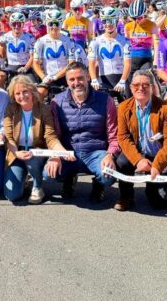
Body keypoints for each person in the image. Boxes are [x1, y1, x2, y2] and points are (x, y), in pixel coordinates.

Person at [50, 63, 119, 203]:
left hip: (95, 152)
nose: (77, 83)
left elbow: (114, 135)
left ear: (88, 76)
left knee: (108, 176)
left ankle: (98, 184)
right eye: (72, 80)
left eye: (80, 78)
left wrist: (110, 155)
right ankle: (69, 178)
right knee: (48, 172)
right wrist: (55, 155)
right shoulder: (57, 102)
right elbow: (54, 135)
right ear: (67, 81)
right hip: (68, 153)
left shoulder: (106, 100)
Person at [110, 70, 167, 210]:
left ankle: (152, 190)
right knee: (122, 162)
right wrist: (138, 160)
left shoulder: (166, 108)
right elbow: (123, 137)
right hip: (137, 151)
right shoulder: (123, 107)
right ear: (131, 88)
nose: (141, 88)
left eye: (146, 85)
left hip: (156, 153)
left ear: (153, 87)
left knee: (157, 202)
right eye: (136, 85)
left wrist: (157, 165)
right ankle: (126, 196)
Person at [2, 75, 66, 204]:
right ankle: (24, 177)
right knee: (12, 195)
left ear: (32, 91)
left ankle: (37, 186)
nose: (22, 96)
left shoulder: (44, 109)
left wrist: (61, 152)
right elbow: (8, 137)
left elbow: (50, 136)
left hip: (36, 151)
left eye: (25, 91)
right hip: (17, 152)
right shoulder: (11, 109)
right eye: (17, 93)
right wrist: (16, 153)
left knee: (32, 158)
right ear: (14, 96)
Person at [32, 9, 77, 100]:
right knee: (39, 94)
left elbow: (71, 63)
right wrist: (43, 77)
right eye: (50, 24)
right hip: (47, 77)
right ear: (47, 24)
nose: (54, 27)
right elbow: (35, 63)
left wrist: (56, 76)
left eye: (56, 24)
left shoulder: (69, 41)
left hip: (64, 77)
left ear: (61, 24)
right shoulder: (40, 41)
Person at [88, 6, 131, 99]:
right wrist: (94, 79)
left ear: (116, 21)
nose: (108, 24)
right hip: (104, 80)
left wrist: (123, 80)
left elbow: (128, 63)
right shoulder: (95, 41)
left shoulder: (125, 41)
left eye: (111, 21)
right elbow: (91, 63)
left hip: (121, 78)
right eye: (104, 21)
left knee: (128, 110)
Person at [0, 11, 35, 86]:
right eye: (14, 24)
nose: (16, 26)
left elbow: (32, 57)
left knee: (33, 87)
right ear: (10, 24)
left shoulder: (30, 37)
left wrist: (25, 68)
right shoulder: (6, 36)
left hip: (25, 66)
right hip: (11, 66)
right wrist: (5, 48)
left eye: (19, 24)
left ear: (23, 24)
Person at [124, 0, 158, 72]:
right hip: (131, 59)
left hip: (146, 60)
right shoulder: (128, 26)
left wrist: (156, 61)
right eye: (133, 18)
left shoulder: (152, 25)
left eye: (139, 18)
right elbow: (125, 46)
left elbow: (156, 44)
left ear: (144, 15)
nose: (136, 20)